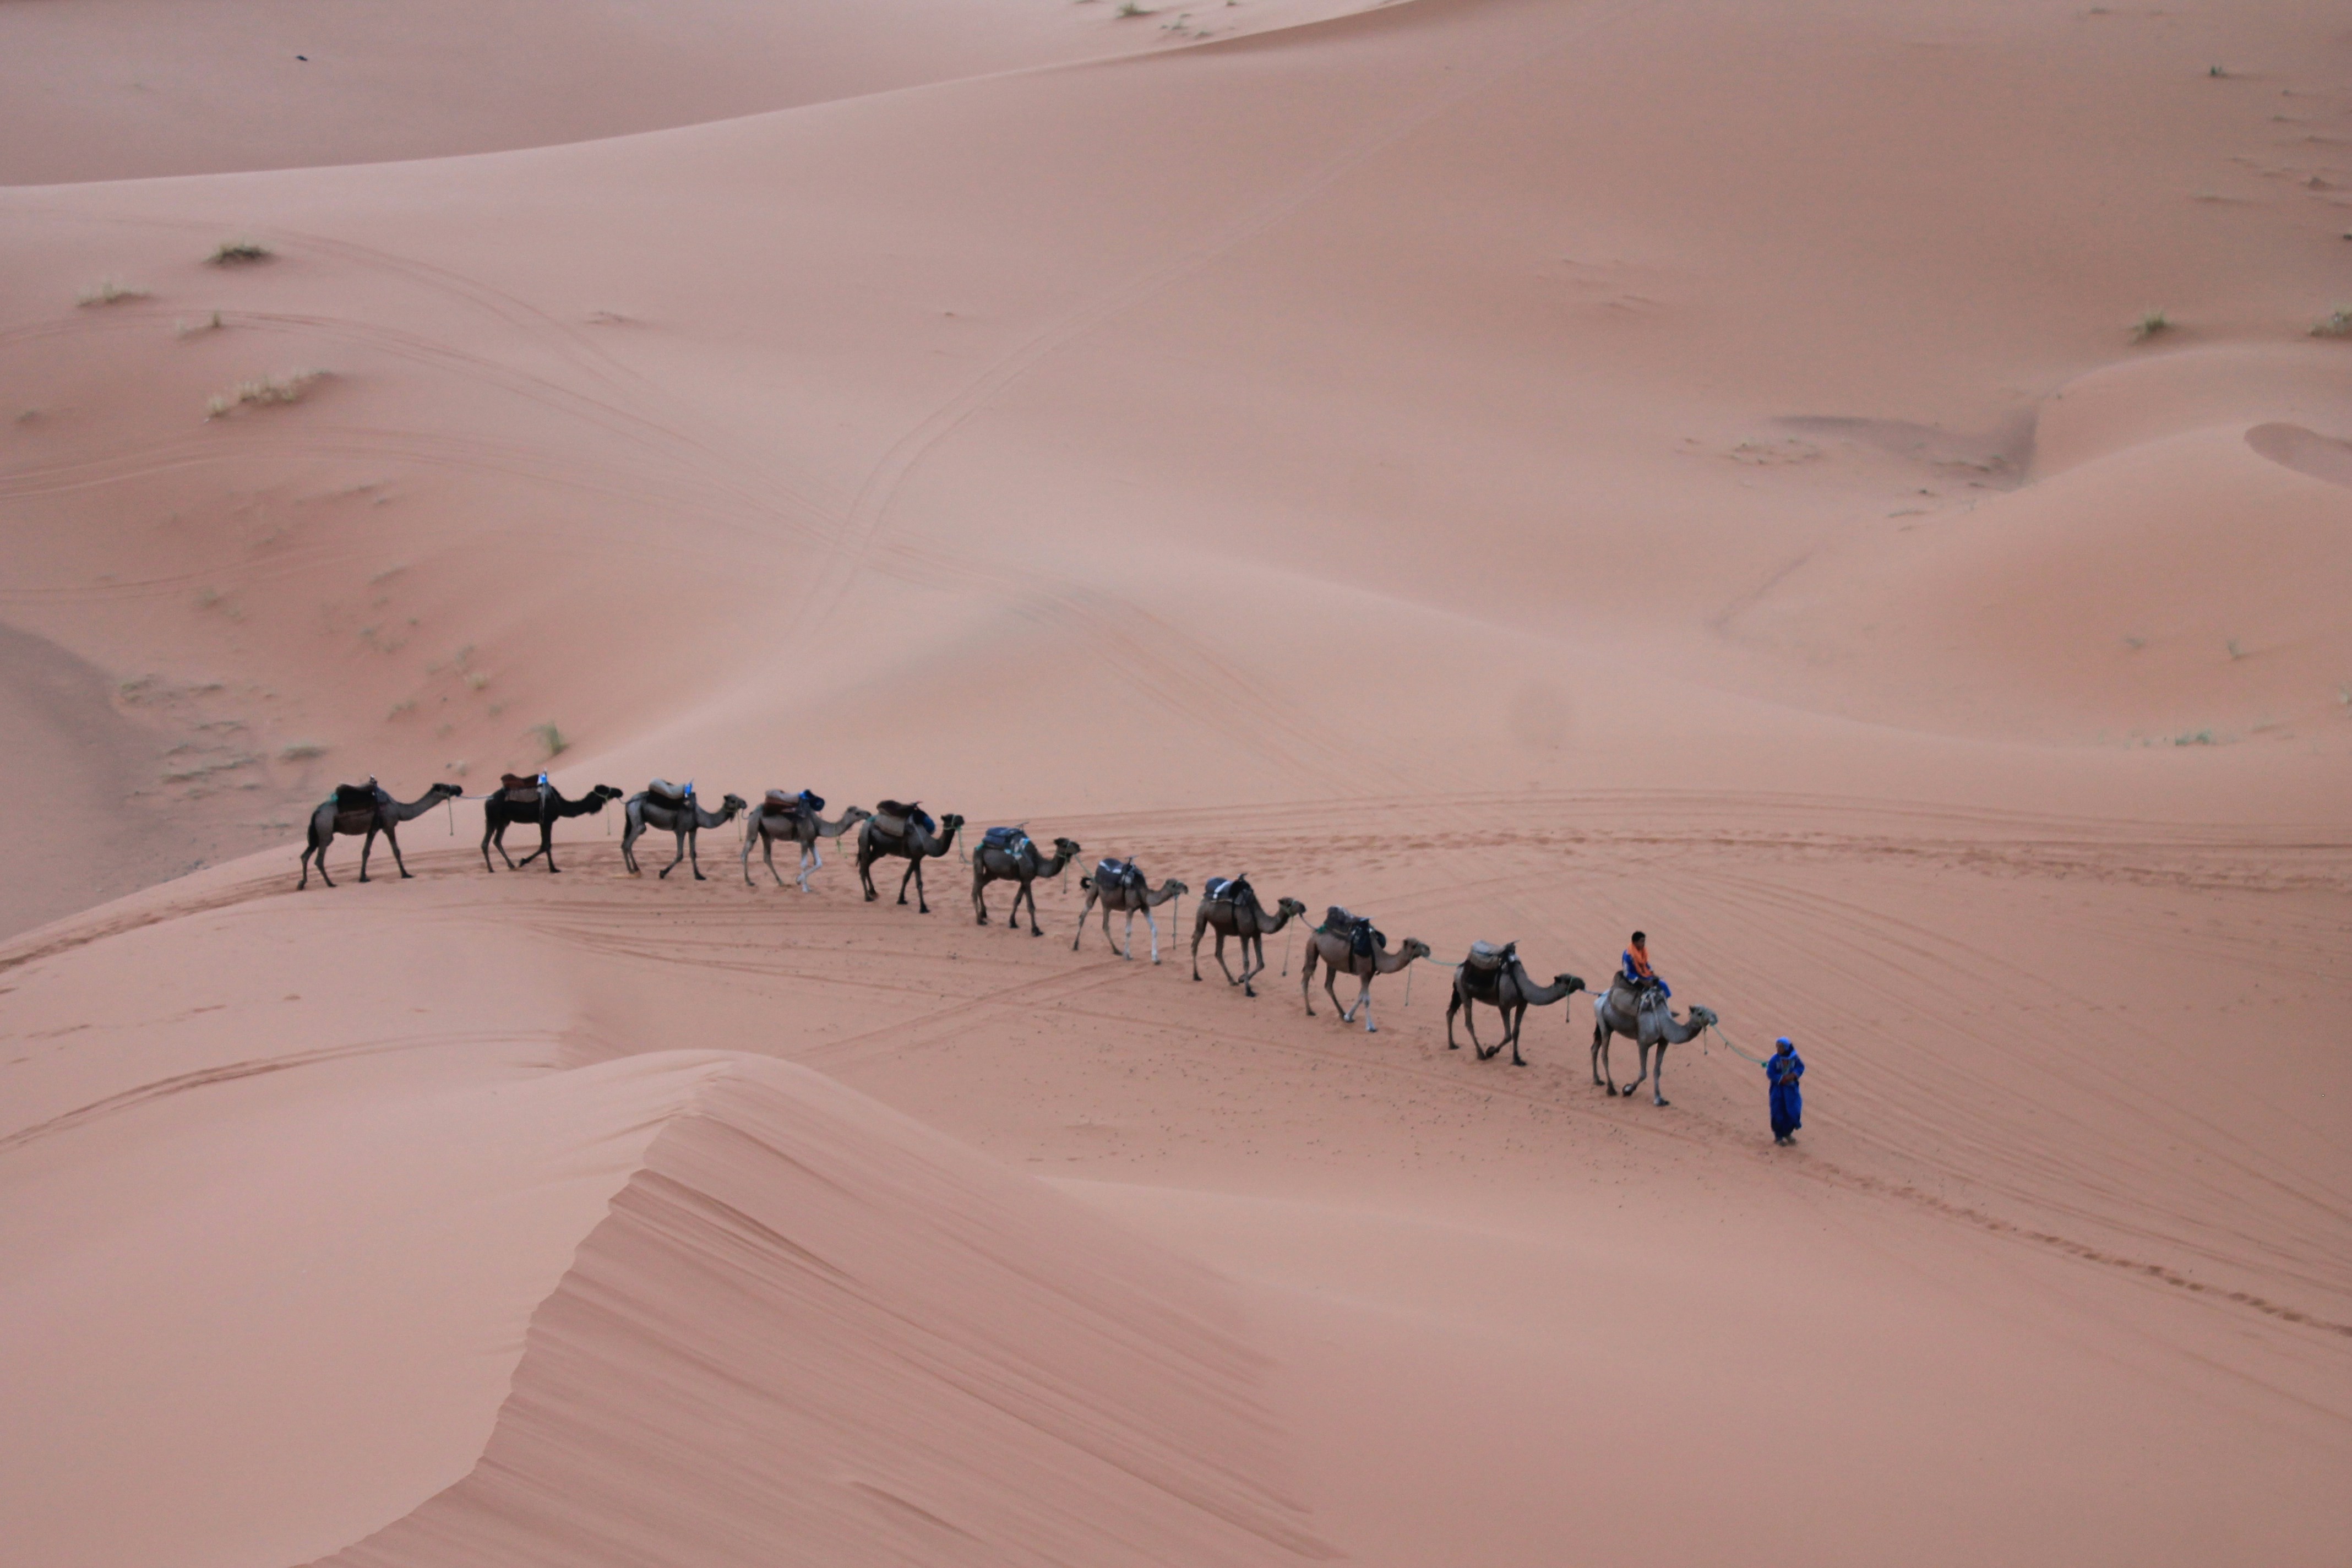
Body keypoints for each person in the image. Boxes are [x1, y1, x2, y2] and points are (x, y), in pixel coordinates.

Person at [1767, 1036, 1804, 1145]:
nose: (1778, 1049)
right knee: (1778, 1111)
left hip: (1791, 1089)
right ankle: (1778, 1137)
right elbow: (1771, 1073)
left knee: (1793, 1110)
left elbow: (1800, 1067)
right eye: (1777, 1047)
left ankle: (1788, 1133)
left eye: (1781, 1047)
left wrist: (1794, 1075)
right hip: (1778, 1090)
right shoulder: (1775, 1060)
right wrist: (1782, 1079)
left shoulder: (1794, 1058)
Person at [1620, 930, 1670, 1000]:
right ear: (1635, 942)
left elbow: (1646, 964)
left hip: (1644, 975)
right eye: (1642, 942)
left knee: (1663, 985)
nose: (1644, 944)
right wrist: (1642, 981)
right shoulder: (1628, 955)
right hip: (1634, 978)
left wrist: (1652, 973)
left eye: (1644, 941)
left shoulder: (1643, 951)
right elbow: (1627, 973)